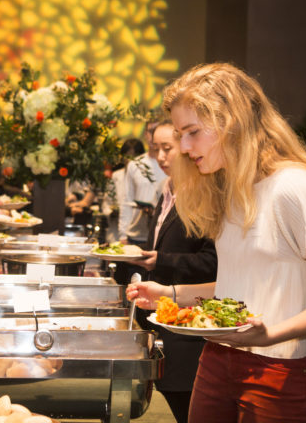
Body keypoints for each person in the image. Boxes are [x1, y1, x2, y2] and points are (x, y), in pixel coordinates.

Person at [127, 62, 306, 423]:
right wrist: (169, 294)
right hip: (217, 359)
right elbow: (240, 287)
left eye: (192, 133)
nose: (184, 148)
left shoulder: (296, 188)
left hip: (283, 368)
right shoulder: (232, 191)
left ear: (231, 122)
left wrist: (271, 334)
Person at [131, 120, 217, 423]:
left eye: (167, 148)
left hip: (190, 324)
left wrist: (161, 260)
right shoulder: (167, 189)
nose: (161, 157)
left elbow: (213, 262)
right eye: (156, 149)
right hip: (164, 316)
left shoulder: (205, 194)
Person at [118, 120, 167, 245]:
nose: (153, 135)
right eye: (151, 131)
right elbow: (126, 201)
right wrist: (122, 234)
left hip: (161, 234)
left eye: (157, 130)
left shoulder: (169, 163)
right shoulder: (135, 164)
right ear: (145, 134)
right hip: (136, 234)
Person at [102, 137, 145, 243]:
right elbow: (107, 202)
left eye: (135, 156)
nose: (130, 160)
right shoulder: (116, 176)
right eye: (127, 156)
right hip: (116, 232)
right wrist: (111, 212)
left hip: (140, 234)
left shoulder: (146, 178)